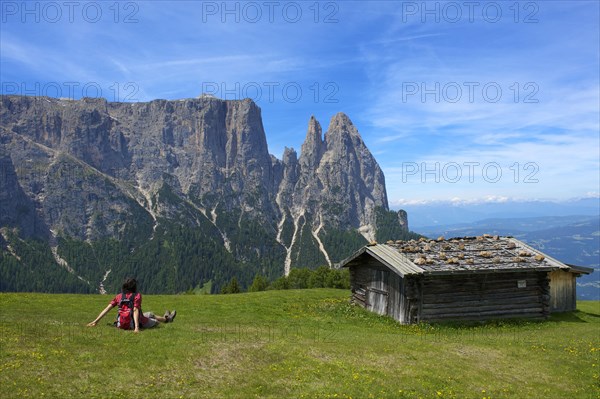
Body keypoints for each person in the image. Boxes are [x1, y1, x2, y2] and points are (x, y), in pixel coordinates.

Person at [87, 277, 176, 332]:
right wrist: (136, 327)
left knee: (150, 314)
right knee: (156, 323)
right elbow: (135, 310)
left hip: (121, 323)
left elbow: (107, 309)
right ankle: (167, 320)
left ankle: (167, 318)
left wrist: (95, 321)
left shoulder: (119, 296)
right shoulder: (137, 296)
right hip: (135, 322)